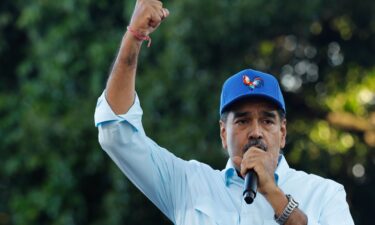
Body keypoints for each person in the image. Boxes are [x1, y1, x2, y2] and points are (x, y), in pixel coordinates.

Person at [94, 0, 355, 224]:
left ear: (283, 132)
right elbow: (116, 133)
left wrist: (274, 194)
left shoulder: (324, 193)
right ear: (222, 133)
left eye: (267, 120)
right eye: (242, 120)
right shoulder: (188, 186)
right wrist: (134, 36)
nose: (256, 132)